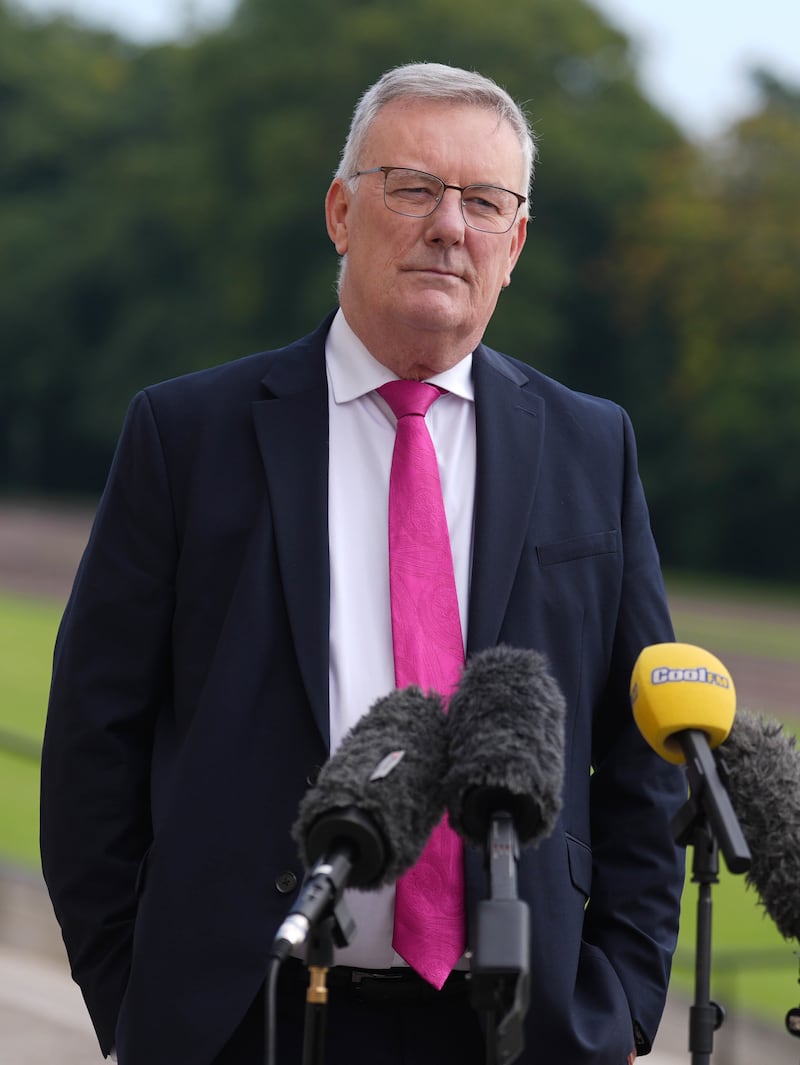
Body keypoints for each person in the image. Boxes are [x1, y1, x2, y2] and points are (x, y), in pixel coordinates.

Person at [40, 61, 686, 1065]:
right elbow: (95, 741)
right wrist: (136, 999)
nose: (448, 225)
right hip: (247, 1019)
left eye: (483, 201)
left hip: (519, 1027)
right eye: (413, 188)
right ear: (341, 211)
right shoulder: (186, 434)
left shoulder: (592, 446)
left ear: (513, 244)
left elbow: (643, 755)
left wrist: (621, 999)